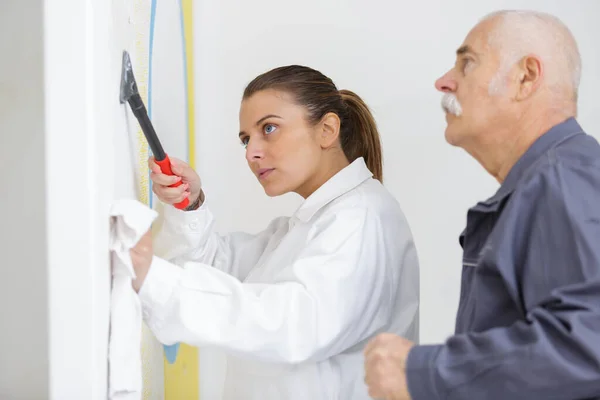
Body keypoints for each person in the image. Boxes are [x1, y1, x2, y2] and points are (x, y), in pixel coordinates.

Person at [129, 65, 420, 399]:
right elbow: (216, 270)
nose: (252, 152)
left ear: (327, 130)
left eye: (269, 128)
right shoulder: (307, 226)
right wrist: (190, 205)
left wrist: (153, 277)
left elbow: (294, 325)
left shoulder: (362, 218)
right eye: (245, 139)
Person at [364, 9, 600, 400]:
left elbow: (590, 342)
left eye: (466, 63)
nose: (444, 81)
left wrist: (425, 372)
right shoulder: (547, 183)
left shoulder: (562, 181)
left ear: (526, 77)